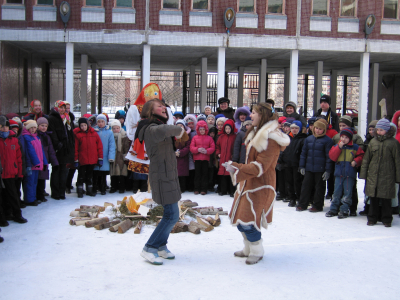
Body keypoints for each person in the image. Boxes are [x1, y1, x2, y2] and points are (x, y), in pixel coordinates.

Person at [223, 103, 290, 265]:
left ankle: (257, 250)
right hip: (247, 183)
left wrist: (236, 167)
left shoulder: (270, 139)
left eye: (253, 113)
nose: (250, 115)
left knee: (249, 221)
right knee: (240, 220)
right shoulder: (255, 132)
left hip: (260, 186)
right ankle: (248, 248)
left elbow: (260, 167)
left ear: (262, 115)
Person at [138, 99, 185, 265]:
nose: (164, 108)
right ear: (150, 111)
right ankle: (149, 247)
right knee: (172, 215)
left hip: (168, 174)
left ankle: (161, 246)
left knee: (171, 214)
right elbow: (169, 129)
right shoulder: (151, 128)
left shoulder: (156, 126)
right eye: (159, 106)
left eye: (164, 106)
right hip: (161, 175)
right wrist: (179, 129)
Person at [126, 83, 172, 193]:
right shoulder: (135, 109)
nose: (152, 97)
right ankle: (146, 193)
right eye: (148, 94)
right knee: (145, 170)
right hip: (143, 144)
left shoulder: (165, 110)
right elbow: (130, 127)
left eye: (155, 94)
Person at [359, 119, 400, 227]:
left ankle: (387, 219)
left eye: (381, 130)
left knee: (386, 199)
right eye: (378, 130)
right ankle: (372, 217)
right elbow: (367, 159)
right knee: (373, 198)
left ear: (387, 130)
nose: (378, 132)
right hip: (373, 175)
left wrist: (397, 177)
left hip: (388, 175)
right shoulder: (373, 142)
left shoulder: (393, 143)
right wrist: (363, 174)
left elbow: (397, 161)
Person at [325, 128, 364, 219]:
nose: (343, 139)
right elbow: (332, 157)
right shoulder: (336, 146)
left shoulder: (355, 147)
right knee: (336, 192)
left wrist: (356, 161)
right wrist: (339, 147)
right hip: (339, 174)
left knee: (347, 192)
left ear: (350, 138)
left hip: (349, 174)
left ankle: (344, 209)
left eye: (346, 137)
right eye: (342, 137)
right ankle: (333, 209)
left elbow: (361, 156)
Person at [296, 119, 333, 212]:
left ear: (324, 130)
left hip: (320, 169)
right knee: (305, 186)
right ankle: (302, 204)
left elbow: (329, 157)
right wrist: (302, 166)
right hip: (309, 168)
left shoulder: (327, 141)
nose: (317, 130)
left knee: (319, 188)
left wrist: (328, 170)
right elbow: (303, 154)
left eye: (320, 129)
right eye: (316, 128)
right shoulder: (308, 139)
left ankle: (317, 205)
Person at [0, 116, 27, 226]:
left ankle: (17, 214)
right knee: (1, 198)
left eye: (6, 127)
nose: (4, 129)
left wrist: (20, 172)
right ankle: (3, 217)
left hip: (11, 173)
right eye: (2, 127)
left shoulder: (14, 140)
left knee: (13, 196)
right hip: (1, 175)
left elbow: (19, 158)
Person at [48, 100, 75, 200]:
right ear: (56, 107)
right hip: (58, 149)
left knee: (64, 171)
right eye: (60, 107)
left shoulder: (67, 118)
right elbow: (52, 133)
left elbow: (70, 132)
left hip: (67, 149)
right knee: (56, 170)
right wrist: (58, 145)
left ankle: (61, 192)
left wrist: (71, 144)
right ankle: (55, 192)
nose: (62, 109)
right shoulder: (52, 118)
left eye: (64, 107)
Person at [74, 117, 103, 198]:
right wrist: (76, 160)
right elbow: (76, 148)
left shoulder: (94, 134)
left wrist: (100, 158)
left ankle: (89, 190)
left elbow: (99, 147)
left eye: (85, 125)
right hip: (82, 160)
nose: (83, 127)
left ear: (88, 125)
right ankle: (79, 190)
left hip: (92, 159)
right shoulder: (78, 135)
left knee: (89, 176)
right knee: (81, 176)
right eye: (81, 126)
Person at [21, 120, 48, 206]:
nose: (33, 129)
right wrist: (36, 162)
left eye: (34, 128)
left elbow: (41, 151)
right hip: (32, 164)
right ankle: (29, 200)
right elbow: (30, 151)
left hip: (37, 164)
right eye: (31, 128)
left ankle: (33, 197)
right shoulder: (26, 137)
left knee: (34, 182)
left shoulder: (36, 137)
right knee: (29, 182)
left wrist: (44, 162)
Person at [281, 120, 308, 207]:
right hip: (288, 163)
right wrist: (281, 159)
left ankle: (299, 198)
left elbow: (303, 153)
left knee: (297, 182)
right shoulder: (287, 138)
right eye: (292, 128)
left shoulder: (303, 139)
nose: (294, 130)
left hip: (297, 164)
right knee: (289, 182)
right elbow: (283, 150)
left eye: (296, 128)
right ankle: (292, 198)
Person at [190, 120, 215, 195]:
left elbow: (213, 147)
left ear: (206, 130)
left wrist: (207, 151)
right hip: (197, 159)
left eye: (203, 129)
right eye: (200, 129)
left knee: (205, 174)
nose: (202, 131)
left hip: (205, 159)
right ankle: (196, 188)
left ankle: (204, 189)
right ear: (198, 130)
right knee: (197, 174)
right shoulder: (194, 138)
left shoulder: (209, 138)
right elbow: (191, 148)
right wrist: (197, 149)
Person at [36, 117, 58, 203]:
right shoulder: (36, 136)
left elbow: (51, 151)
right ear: (38, 126)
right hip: (37, 161)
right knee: (37, 179)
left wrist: (54, 162)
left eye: (45, 126)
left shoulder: (47, 137)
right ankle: (37, 195)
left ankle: (41, 194)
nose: (44, 128)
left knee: (43, 178)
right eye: (42, 126)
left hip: (45, 161)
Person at [93, 115, 116, 195]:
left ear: (105, 122)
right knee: (95, 173)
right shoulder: (94, 132)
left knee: (103, 174)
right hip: (95, 156)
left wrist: (111, 156)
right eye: (99, 122)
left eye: (102, 122)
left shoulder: (109, 132)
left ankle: (103, 188)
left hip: (105, 156)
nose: (100, 123)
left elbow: (112, 145)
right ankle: (95, 188)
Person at [359, 120, 378, 216]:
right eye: (370, 129)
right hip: (369, 168)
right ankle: (367, 207)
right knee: (367, 189)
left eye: (373, 129)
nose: (371, 132)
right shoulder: (367, 140)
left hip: (377, 168)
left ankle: (375, 209)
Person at [216, 119, 237, 197]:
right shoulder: (221, 137)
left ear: (232, 128)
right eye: (226, 129)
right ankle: (223, 190)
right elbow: (217, 146)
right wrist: (218, 153)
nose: (227, 130)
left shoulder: (235, 136)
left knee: (231, 174)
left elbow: (236, 147)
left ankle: (232, 191)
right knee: (223, 175)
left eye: (229, 128)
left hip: (230, 158)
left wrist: (234, 155)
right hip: (222, 158)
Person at [109, 120, 131, 194]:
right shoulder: (110, 135)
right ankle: (113, 187)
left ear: (120, 128)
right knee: (113, 173)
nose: (115, 130)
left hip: (121, 157)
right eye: (114, 128)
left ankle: (122, 187)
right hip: (113, 157)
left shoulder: (124, 136)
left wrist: (125, 156)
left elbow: (126, 147)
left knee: (122, 173)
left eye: (117, 128)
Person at [175, 120, 190, 193]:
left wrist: (180, 152)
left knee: (182, 174)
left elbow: (188, 147)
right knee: (175, 174)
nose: (180, 127)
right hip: (174, 158)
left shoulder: (186, 136)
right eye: (178, 126)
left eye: (181, 126)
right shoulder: (173, 135)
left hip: (183, 157)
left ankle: (182, 188)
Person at [183, 114, 197, 192]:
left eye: (192, 124)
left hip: (193, 153)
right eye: (189, 124)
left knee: (192, 169)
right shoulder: (185, 133)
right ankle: (187, 185)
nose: (191, 125)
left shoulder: (195, 133)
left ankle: (192, 185)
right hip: (187, 153)